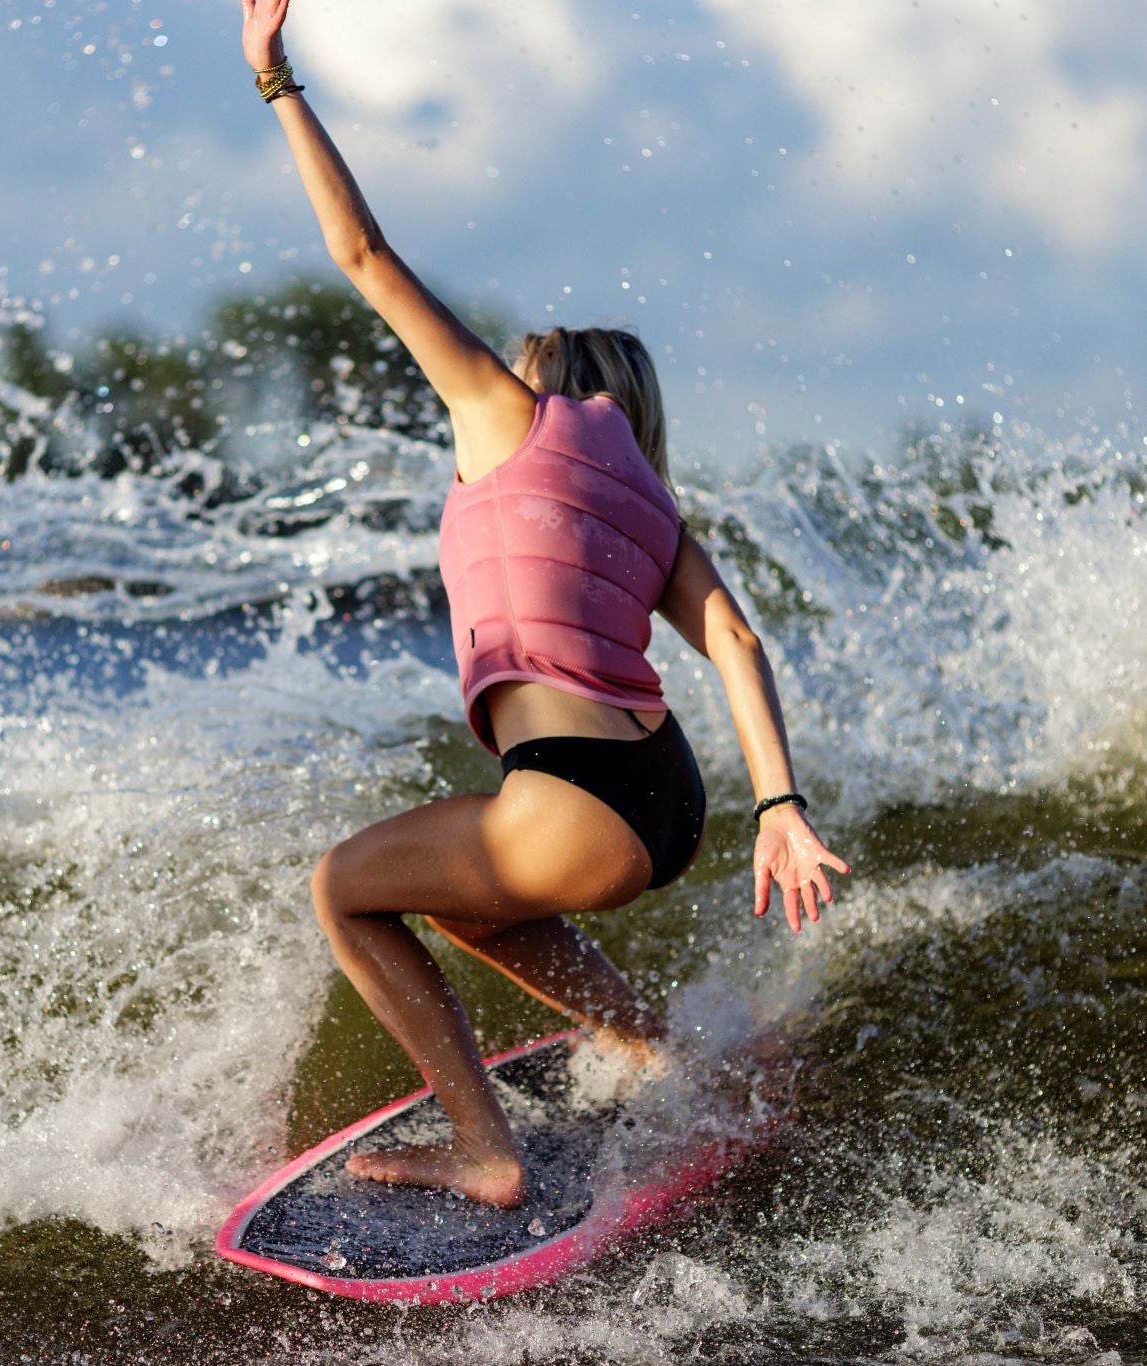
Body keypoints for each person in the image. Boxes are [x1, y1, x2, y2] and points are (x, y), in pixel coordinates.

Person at [242, 0, 852, 1208]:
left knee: (343, 886)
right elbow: (731, 635)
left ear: (542, 376)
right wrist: (776, 802)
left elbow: (363, 256)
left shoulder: (503, 415)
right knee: (463, 890)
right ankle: (638, 1036)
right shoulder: (652, 500)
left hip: (571, 802)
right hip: (665, 798)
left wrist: (277, 83)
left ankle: (486, 1153)